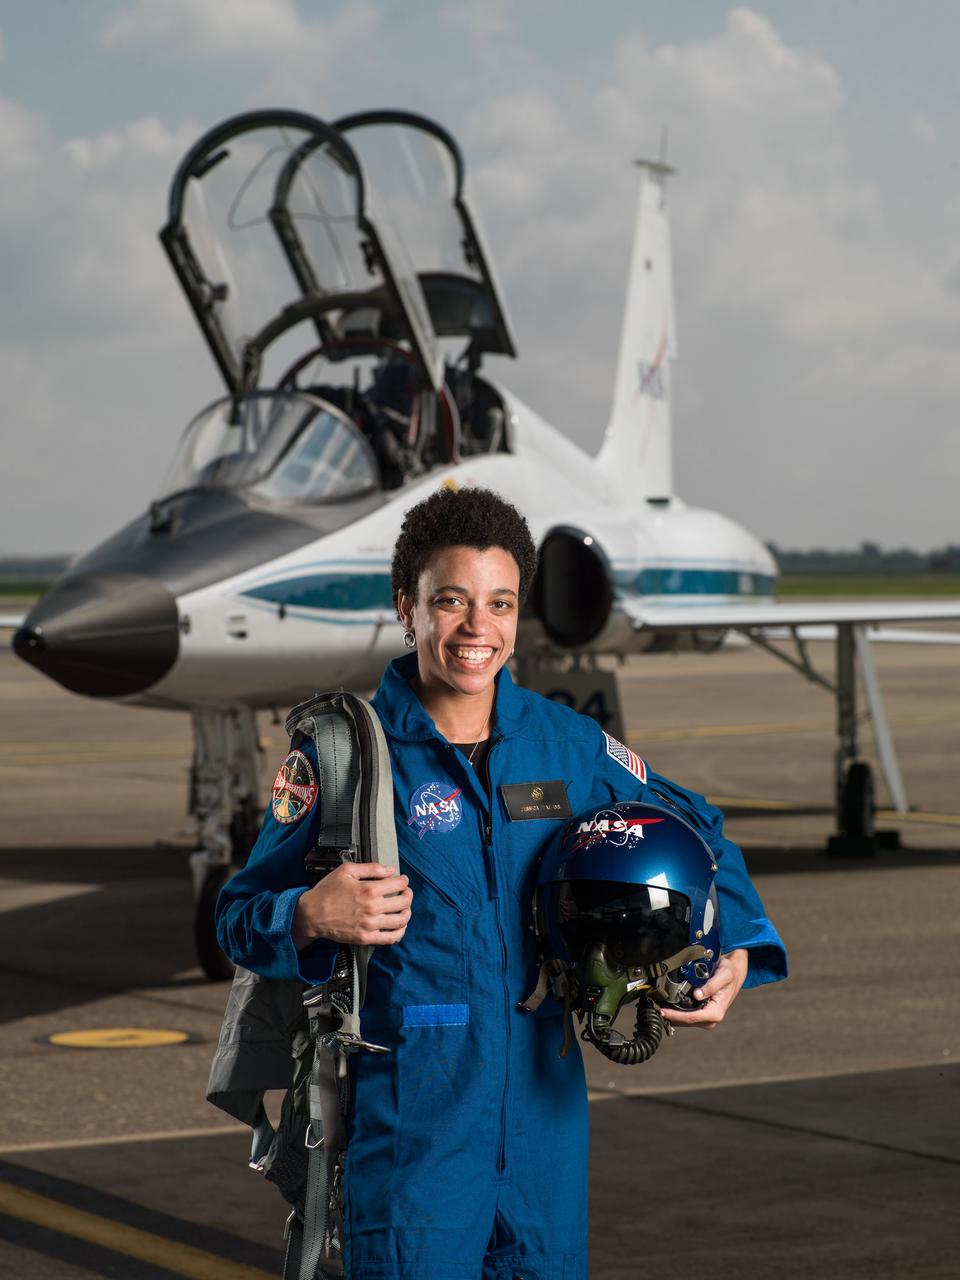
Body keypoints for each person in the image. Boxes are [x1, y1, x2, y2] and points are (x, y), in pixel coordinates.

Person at [216, 486, 787, 1280]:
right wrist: (309, 914)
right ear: (406, 607)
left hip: (544, 1124)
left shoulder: (568, 745)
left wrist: (740, 950)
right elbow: (239, 916)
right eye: (450, 602)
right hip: (414, 1128)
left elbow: (698, 830)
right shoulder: (346, 759)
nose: (478, 629)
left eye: (501, 603)